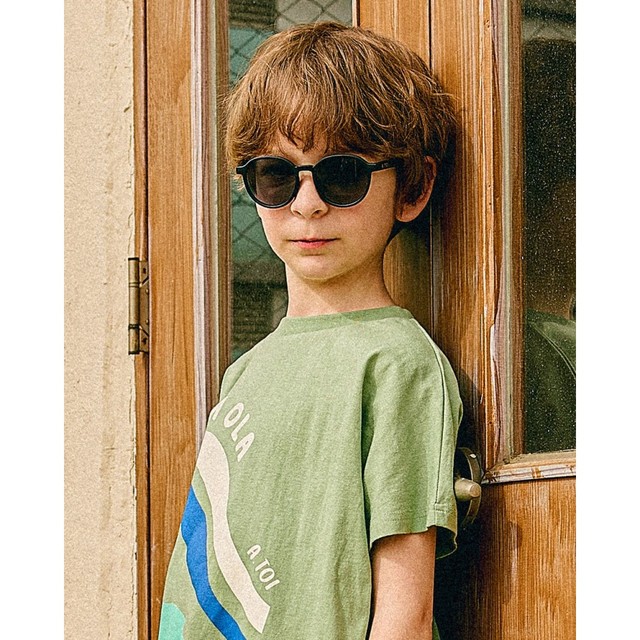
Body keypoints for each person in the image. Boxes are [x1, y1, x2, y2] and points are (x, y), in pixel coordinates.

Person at [158, 21, 462, 640]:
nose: (307, 204)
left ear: (413, 188)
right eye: (276, 176)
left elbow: (405, 612)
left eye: (343, 174)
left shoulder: (399, 365)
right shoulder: (245, 371)